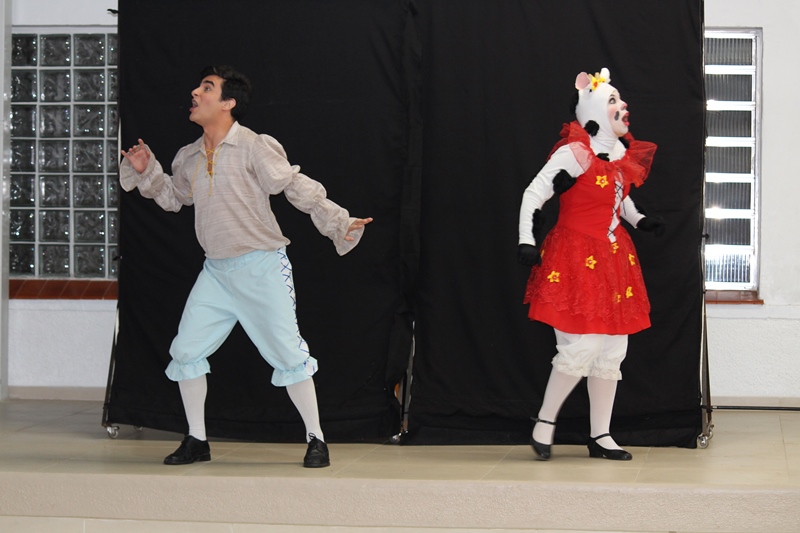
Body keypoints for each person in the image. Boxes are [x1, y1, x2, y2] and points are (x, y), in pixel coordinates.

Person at [120, 65, 372, 468]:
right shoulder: (188, 156)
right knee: (185, 351)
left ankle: (316, 439)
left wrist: (338, 220)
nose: (195, 93)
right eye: (198, 87)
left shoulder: (254, 146)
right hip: (216, 273)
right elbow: (173, 198)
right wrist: (147, 171)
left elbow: (293, 185)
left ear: (228, 103)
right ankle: (197, 440)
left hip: (262, 267)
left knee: (288, 354)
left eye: (207, 88)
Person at [517, 68, 664, 461]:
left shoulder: (619, 155)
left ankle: (601, 435)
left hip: (614, 258)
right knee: (584, 344)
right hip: (574, 256)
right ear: (595, 111)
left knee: (613, 347)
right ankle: (544, 422)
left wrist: (640, 220)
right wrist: (526, 239)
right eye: (613, 100)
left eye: (619, 98)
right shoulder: (574, 154)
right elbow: (534, 193)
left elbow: (619, 197)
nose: (623, 105)